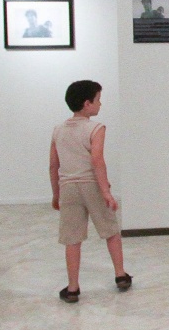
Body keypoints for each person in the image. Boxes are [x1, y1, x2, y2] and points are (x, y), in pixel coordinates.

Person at [49, 79, 130, 302]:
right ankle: (120, 274)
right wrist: (105, 191)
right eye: (98, 100)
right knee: (110, 230)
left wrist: (56, 194)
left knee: (72, 238)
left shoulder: (58, 130)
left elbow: (53, 165)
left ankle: (73, 287)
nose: (100, 105)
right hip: (91, 186)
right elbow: (97, 161)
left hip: (68, 188)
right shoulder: (96, 128)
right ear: (87, 104)